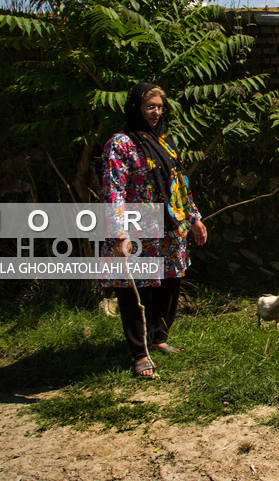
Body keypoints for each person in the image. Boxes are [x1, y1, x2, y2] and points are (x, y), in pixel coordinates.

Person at [100, 82, 208, 379]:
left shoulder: (164, 143)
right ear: (136, 108)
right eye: (150, 107)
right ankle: (139, 353)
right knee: (135, 289)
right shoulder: (120, 144)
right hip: (136, 228)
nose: (156, 112)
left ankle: (158, 338)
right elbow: (114, 190)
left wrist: (195, 217)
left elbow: (179, 184)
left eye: (160, 107)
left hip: (170, 227)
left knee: (170, 282)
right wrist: (118, 231)